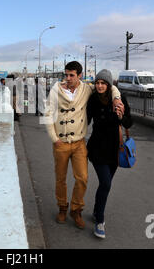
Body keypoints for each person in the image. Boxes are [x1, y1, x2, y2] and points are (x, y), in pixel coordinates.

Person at [44, 61, 124, 229]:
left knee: (82, 178)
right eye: (66, 75)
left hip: (79, 142)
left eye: (71, 75)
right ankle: (62, 208)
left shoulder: (86, 89)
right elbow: (47, 114)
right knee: (60, 179)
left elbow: (109, 86)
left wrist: (116, 98)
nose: (68, 78)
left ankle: (76, 209)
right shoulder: (56, 89)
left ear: (79, 75)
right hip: (61, 142)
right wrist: (54, 139)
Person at [86, 69, 132, 239]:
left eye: (103, 83)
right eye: (97, 82)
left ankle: (97, 210)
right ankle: (100, 221)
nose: (99, 86)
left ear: (109, 84)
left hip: (114, 149)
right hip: (97, 149)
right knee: (105, 183)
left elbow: (129, 122)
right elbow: (85, 120)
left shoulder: (120, 99)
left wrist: (121, 117)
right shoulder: (92, 100)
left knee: (105, 185)